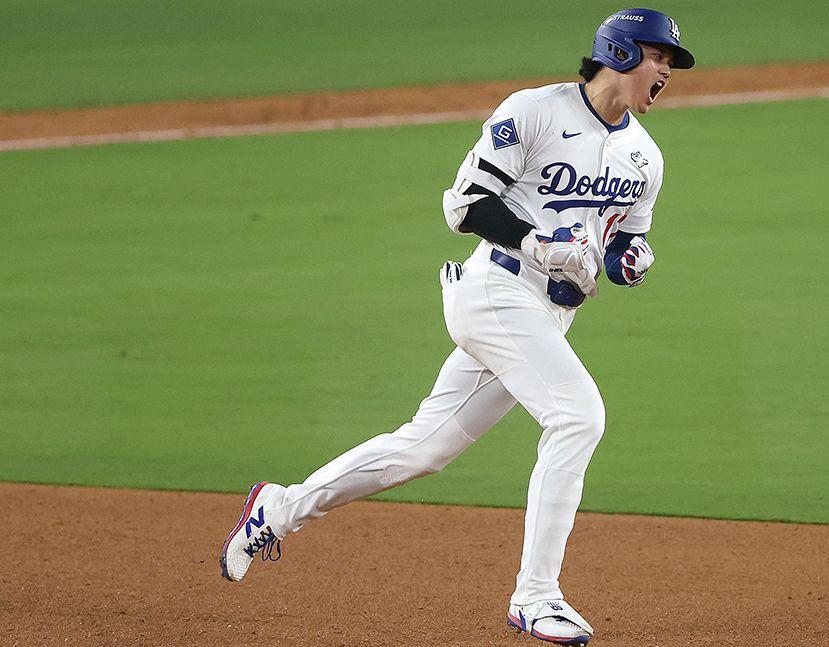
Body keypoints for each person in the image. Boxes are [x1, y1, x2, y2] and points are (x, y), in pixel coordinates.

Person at [220, 8, 694, 645]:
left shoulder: (646, 156)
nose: (665, 71)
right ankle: (536, 596)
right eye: (658, 56)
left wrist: (629, 260)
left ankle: (278, 508)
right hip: (494, 290)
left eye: (670, 63)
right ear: (620, 52)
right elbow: (464, 204)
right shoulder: (534, 112)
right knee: (579, 415)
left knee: (424, 448)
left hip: (548, 316)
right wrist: (536, 243)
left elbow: (624, 244)